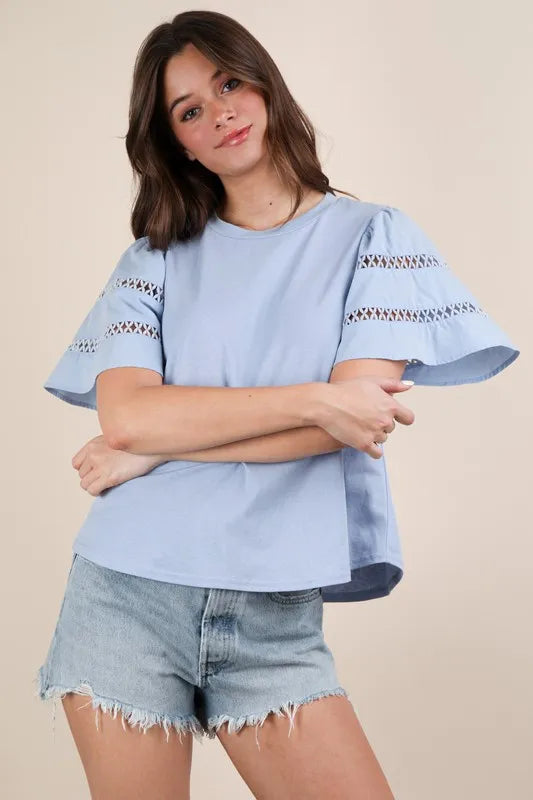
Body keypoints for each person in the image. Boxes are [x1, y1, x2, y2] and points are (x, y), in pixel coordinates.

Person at [34, 10, 520, 800]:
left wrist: (159, 446)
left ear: (264, 84)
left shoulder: (375, 238)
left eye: (229, 83)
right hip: (125, 593)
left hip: (272, 611)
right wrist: (313, 398)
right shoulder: (151, 260)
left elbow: (350, 425)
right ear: (177, 143)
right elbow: (127, 418)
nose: (219, 113)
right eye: (189, 110)